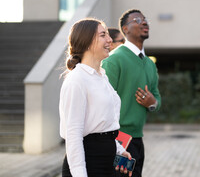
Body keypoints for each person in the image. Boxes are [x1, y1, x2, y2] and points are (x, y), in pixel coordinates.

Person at [59, 17, 132, 177]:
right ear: (87, 41)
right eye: (103, 35)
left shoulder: (101, 76)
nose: (110, 40)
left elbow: (102, 124)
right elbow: (74, 135)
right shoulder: (77, 79)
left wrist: (119, 149)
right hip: (87, 163)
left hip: (106, 161)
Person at [102, 9, 162, 177]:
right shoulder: (114, 60)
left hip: (137, 141)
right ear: (125, 29)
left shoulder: (150, 64)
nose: (144, 22)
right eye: (137, 20)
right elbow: (102, 103)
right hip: (119, 141)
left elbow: (157, 99)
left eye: (145, 20)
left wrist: (152, 104)